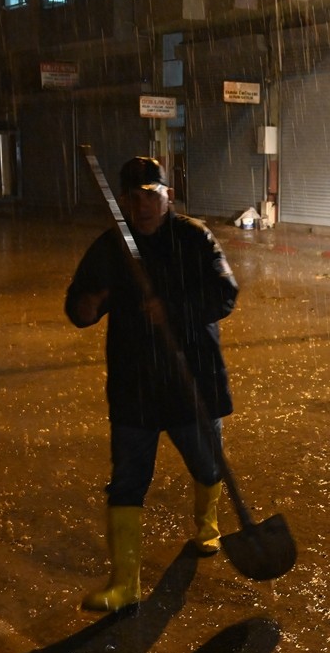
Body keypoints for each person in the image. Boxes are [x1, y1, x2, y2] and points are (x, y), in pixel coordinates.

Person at [65, 156, 239, 612]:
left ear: (169, 196)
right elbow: (78, 309)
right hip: (134, 383)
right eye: (132, 196)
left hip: (190, 378)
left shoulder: (194, 238)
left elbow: (226, 294)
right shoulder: (110, 247)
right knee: (126, 483)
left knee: (206, 463)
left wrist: (175, 310)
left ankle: (207, 523)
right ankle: (125, 584)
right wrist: (90, 303)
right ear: (122, 200)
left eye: (150, 194)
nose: (141, 204)